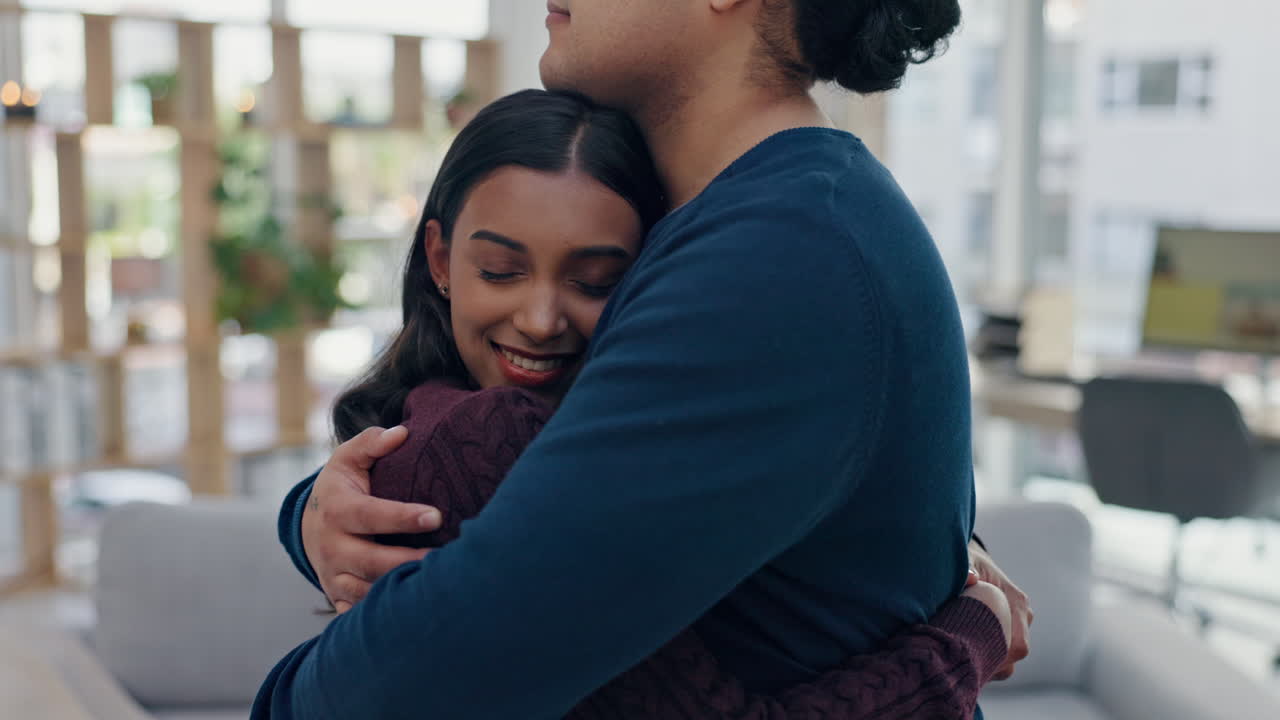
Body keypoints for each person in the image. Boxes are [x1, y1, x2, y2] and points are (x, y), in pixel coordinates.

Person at [256, 1, 1032, 718]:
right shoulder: (773, 220)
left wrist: (286, 697)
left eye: (593, 279)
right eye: (500, 269)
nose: (541, 317)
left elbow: (404, 683)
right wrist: (315, 514)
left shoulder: (777, 256)